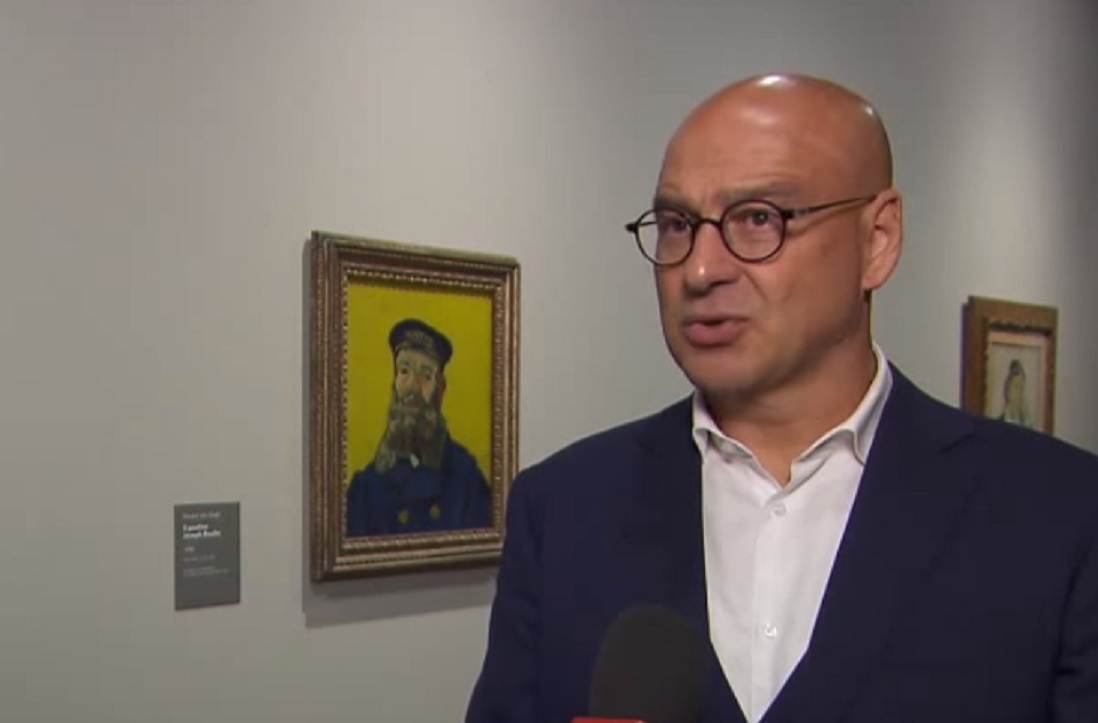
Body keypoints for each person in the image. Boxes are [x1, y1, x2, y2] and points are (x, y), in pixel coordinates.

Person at [465, 74, 1098, 723]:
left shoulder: (1061, 516)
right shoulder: (564, 509)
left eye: (758, 218)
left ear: (878, 240)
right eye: (678, 225)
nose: (700, 269)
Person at [345, 318, 492, 536]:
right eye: (404, 371)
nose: (413, 386)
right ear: (394, 382)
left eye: (426, 376)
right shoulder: (366, 488)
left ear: (440, 390)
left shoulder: (467, 478)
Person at [999, 357, 1036, 429]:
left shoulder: (1029, 425)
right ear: (1008, 391)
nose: (1019, 393)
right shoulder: (1000, 424)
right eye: (1016, 387)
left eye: (1021, 388)